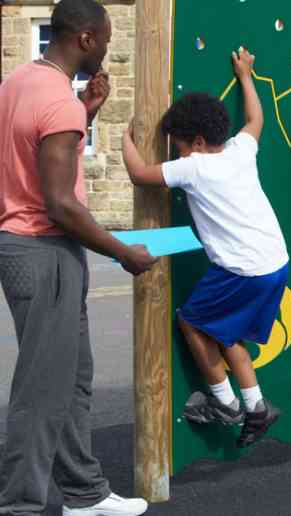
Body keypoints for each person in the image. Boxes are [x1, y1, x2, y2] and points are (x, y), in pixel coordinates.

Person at [0, 0, 155, 513]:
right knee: (43, 390)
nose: (109, 49)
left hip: (27, 245)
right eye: (107, 40)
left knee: (73, 376)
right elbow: (61, 204)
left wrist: (86, 112)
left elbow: (26, 154)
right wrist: (122, 253)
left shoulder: (21, 81)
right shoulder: (57, 104)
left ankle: (83, 493)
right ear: (86, 39)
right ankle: (20, 504)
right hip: (44, 249)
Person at [123, 49, 287, 447]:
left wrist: (126, 138)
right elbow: (256, 120)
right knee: (228, 335)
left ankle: (225, 404)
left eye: (178, 145)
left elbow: (140, 175)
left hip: (241, 270)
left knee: (192, 322)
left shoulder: (194, 166)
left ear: (196, 142)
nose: (177, 153)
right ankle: (257, 407)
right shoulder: (239, 151)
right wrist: (246, 76)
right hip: (274, 263)